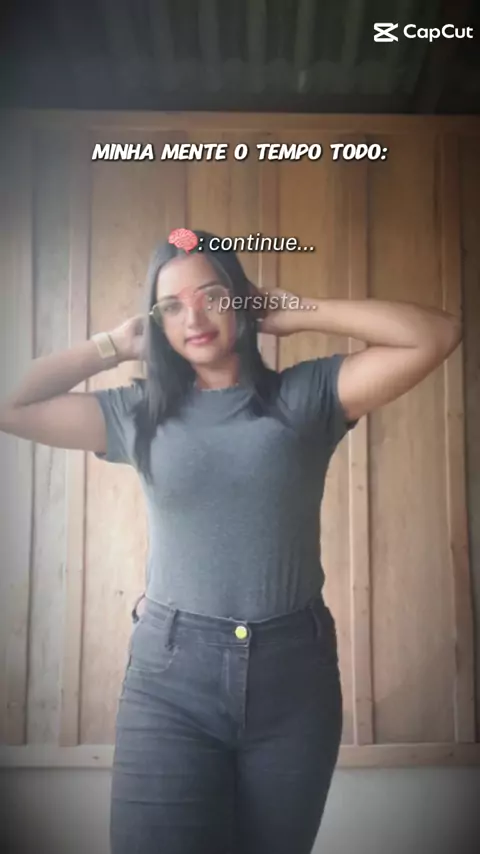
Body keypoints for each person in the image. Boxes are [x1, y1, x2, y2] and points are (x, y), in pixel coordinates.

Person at [0, 230, 461, 854]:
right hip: (171, 683)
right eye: (171, 307)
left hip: (293, 678)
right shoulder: (137, 414)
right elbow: (8, 402)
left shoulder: (307, 396)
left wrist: (300, 312)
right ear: (156, 322)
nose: (194, 318)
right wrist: (114, 344)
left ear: (242, 302)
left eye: (213, 296)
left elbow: (437, 334)